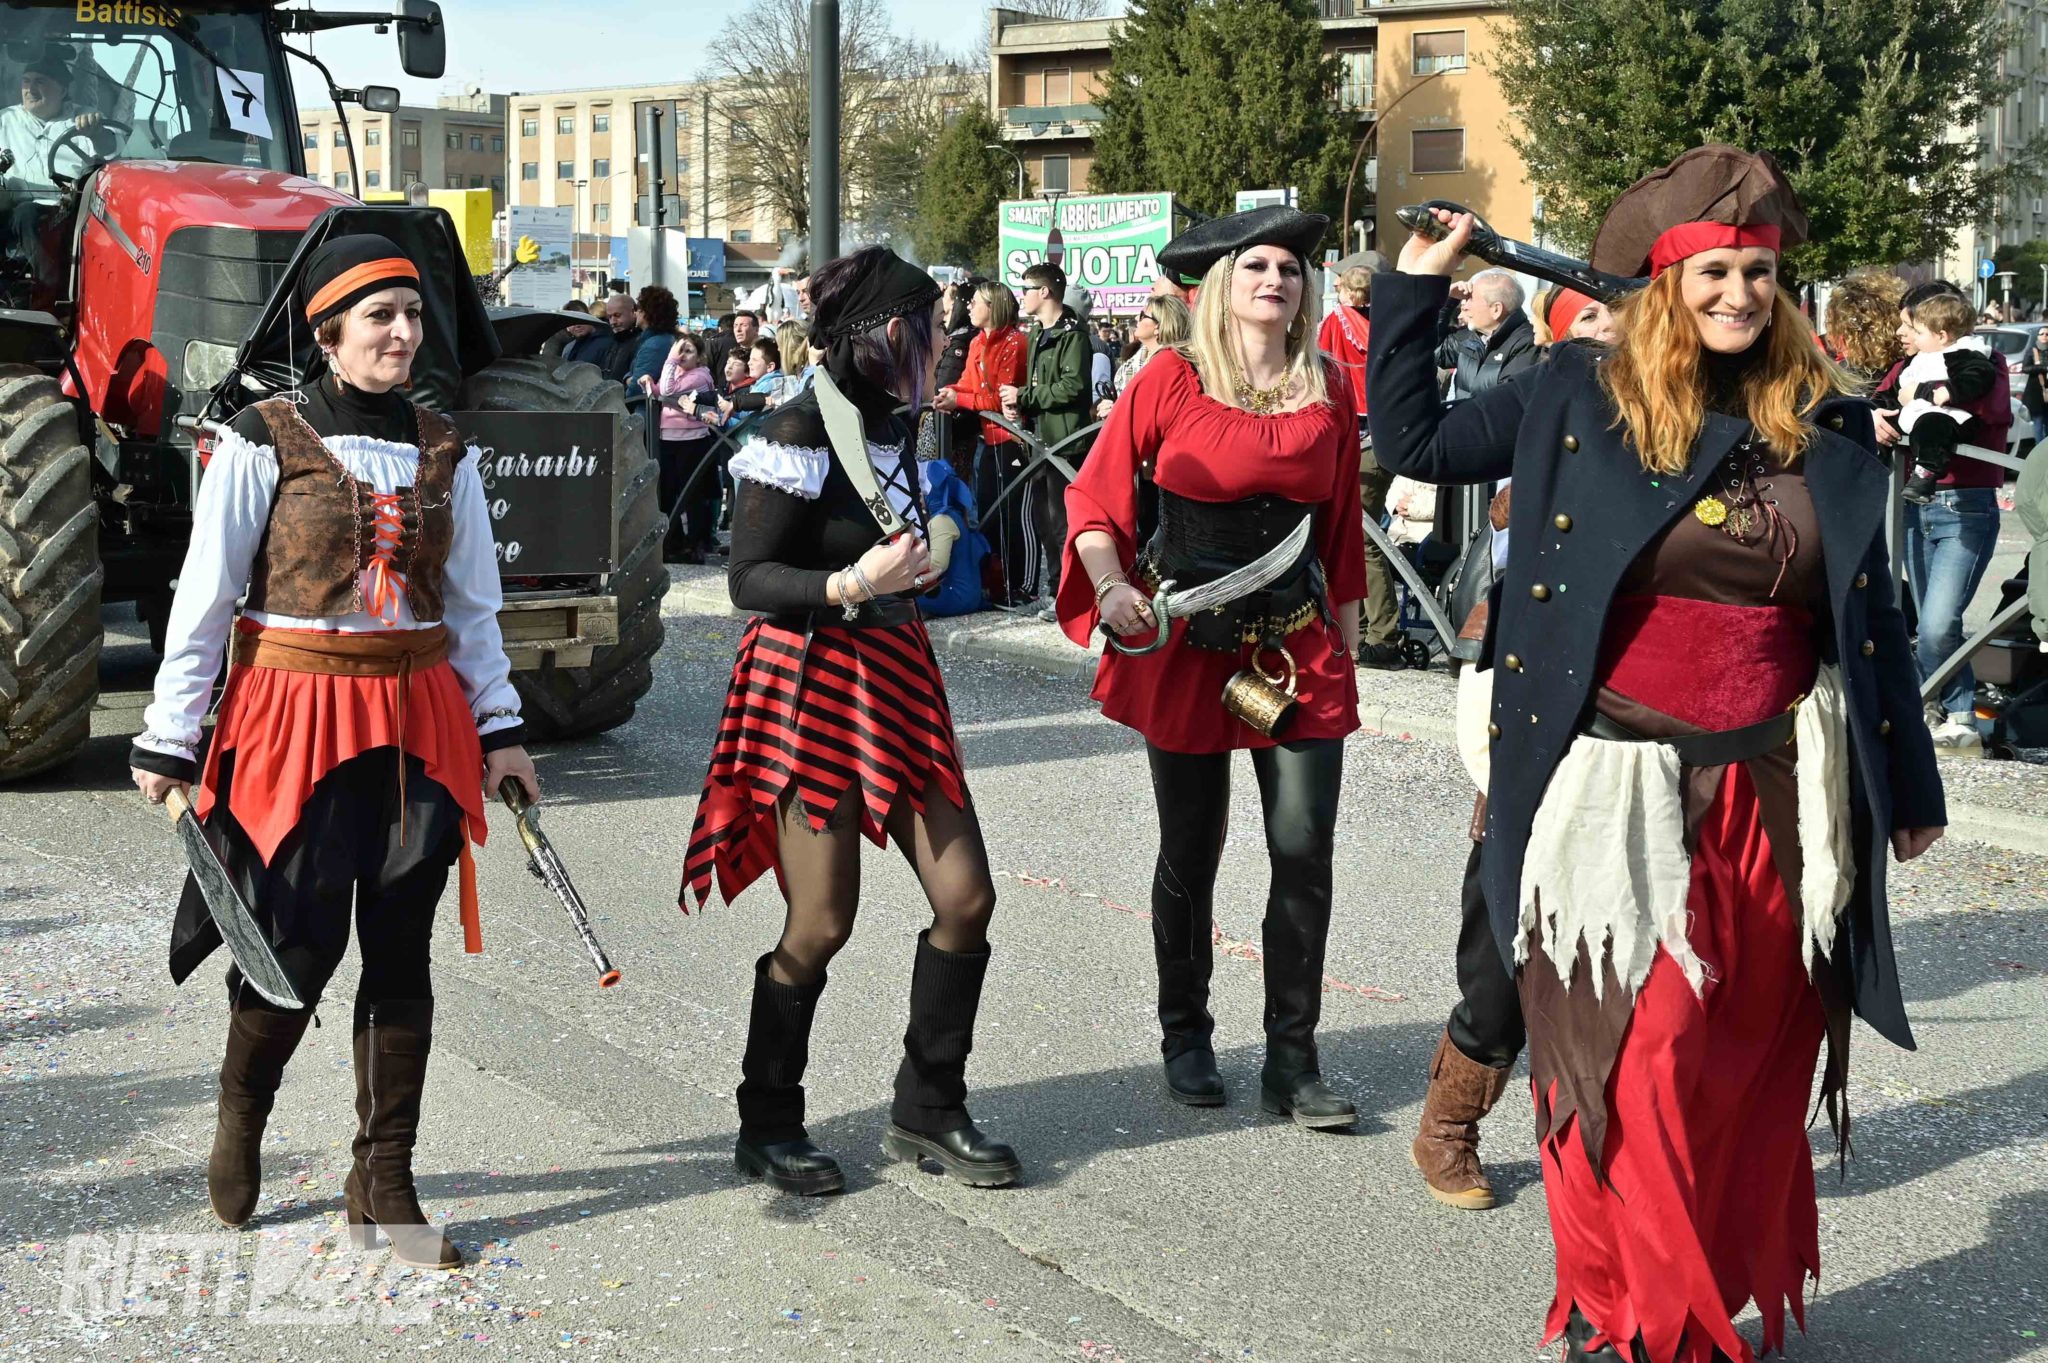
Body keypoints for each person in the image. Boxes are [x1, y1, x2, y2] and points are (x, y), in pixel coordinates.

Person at [1370, 146, 1946, 1363]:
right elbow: (1413, 439)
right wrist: (1411, 288)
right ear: (1666, 280)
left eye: (1756, 272)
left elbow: (1869, 616)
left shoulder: (1825, 423)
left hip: (1773, 794)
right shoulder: (1573, 392)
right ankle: (1640, 1315)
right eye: (1712, 271)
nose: (1738, 293)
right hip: (1613, 787)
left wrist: (1907, 785)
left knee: (1739, 1064)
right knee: (1636, 1059)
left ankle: (1668, 1293)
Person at [126, 235, 539, 1269]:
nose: (403, 333)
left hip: (421, 721)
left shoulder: (446, 447)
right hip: (295, 715)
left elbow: (472, 609)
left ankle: (383, 1181)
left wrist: (501, 728)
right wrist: (171, 734)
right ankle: (242, 1113)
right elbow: (206, 596)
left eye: (412, 314)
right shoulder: (259, 439)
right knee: (297, 948)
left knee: (401, 951)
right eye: (379, 317)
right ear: (328, 332)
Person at [682, 245, 1022, 1197]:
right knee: (823, 919)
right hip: (812, 681)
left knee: (967, 897)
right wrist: (850, 582)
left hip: (898, 676)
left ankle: (929, 1106)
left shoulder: (896, 422)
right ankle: (768, 1121)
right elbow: (748, 579)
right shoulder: (797, 424)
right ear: (875, 334)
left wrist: (924, 554)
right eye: (926, 327)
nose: (941, 341)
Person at [1061, 205, 1367, 1128]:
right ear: (1223, 285)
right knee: (1191, 847)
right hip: (1188, 643)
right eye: (1257, 266)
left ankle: (1293, 1060)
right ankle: (1185, 1034)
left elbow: (1341, 527)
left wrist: (1349, 640)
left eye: (1290, 268)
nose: (1276, 280)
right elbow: (1095, 500)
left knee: (1304, 847)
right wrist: (1110, 585)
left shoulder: (1328, 384)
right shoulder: (1171, 376)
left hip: (1296, 642)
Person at [1872, 280, 2010, 753]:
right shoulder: (1908, 365)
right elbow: (1880, 400)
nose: (1901, 334)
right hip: (1913, 506)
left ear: (1938, 326)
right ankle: (1948, 711)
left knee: (1936, 625)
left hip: (1966, 505)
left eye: (1909, 325)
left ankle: (1948, 709)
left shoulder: (1982, 360)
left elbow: (1986, 404)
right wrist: (1874, 416)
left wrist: (1919, 396)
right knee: (1927, 624)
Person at [999, 262, 1091, 609]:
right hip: (1040, 441)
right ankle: (1055, 592)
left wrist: (1023, 396)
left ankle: (1071, 595)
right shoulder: (1038, 332)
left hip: (1065, 444)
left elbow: (1072, 387)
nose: (1021, 296)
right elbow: (1041, 385)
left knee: (1063, 524)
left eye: (1026, 289)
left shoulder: (1073, 335)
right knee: (1044, 523)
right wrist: (1019, 407)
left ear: (1044, 292)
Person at [935, 281, 1030, 607]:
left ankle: (1022, 585)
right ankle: (996, 583)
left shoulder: (1016, 342)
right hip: (987, 438)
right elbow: (968, 386)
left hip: (1013, 438)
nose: (969, 306)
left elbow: (1000, 398)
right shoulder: (977, 341)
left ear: (993, 306)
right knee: (988, 511)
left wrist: (959, 398)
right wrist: (950, 393)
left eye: (975, 301)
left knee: (1013, 515)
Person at [1, 44, 109, 295]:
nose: (30, 89)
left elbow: (111, 151)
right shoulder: (4, 121)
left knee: (28, 214)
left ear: (63, 90)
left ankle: (52, 295)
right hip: (13, 215)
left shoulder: (86, 120)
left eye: (40, 81)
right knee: (24, 213)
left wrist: (97, 134)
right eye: (26, 81)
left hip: (70, 213)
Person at [1890, 291, 2001, 504]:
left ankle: (1925, 475)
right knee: (1887, 422)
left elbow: (1979, 375)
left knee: (1932, 427)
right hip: (1916, 413)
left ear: (1941, 336)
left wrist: (1950, 391)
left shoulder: (1963, 352)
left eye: (1919, 332)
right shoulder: (1924, 355)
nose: (1914, 337)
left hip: (1949, 417)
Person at [640, 331, 717, 563]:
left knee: (692, 495)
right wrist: (648, 384)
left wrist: (670, 360)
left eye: (688, 351)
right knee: (668, 493)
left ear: (700, 357)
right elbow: (661, 393)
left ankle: (695, 544)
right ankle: (674, 542)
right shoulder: (677, 373)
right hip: (668, 438)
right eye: (679, 350)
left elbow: (668, 390)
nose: (681, 355)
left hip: (692, 441)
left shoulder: (700, 376)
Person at [1435, 268, 1539, 400]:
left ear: (1496, 309)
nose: (1464, 306)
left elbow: (1508, 401)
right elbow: (1435, 350)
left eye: (1470, 299)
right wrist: (1447, 300)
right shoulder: (1473, 336)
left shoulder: (1528, 344)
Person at [599, 291, 643, 387]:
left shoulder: (642, 341)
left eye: (617, 315)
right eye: (610, 317)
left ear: (633, 312)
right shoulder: (612, 340)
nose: (613, 322)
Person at [556, 299, 611, 366]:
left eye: (580, 319)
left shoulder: (607, 342)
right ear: (567, 328)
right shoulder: (569, 349)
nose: (577, 325)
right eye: (571, 322)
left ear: (589, 316)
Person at [2021, 325, 2048, 447]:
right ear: (2037, 336)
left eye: (2047, 334)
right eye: (2042, 334)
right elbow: (2025, 368)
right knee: (2038, 422)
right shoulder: (2033, 351)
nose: (2044, 336)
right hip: (2036, 392)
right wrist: (2043, 368)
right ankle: (2039, 449)